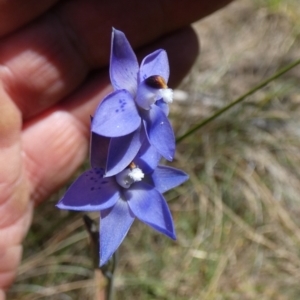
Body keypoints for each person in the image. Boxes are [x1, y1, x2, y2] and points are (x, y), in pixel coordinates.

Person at [0, 0, 232, 298]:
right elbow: (108, 141)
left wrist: (130, 165)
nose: (158, 87)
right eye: (153, 85)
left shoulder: (153, 124)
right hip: (117, 165)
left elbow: (153, 158)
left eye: (159, 88)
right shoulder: (124, 110)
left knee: (110, 244)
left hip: (129, 183)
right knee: (107, 240)